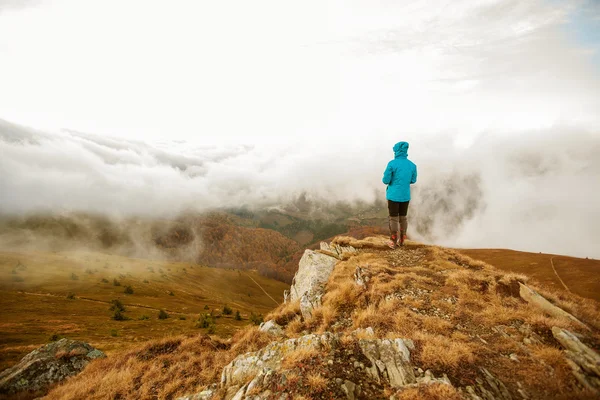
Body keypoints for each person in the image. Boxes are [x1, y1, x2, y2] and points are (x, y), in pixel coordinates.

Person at [382, 141, 417, 248]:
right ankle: (402, 239)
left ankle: (393, 240)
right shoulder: (412, 165)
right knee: (403, 217)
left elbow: (385, 180)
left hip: (393, 195)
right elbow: (413, 180)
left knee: (393, 218)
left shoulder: (392, 164)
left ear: (396, 151)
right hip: (405, 195)